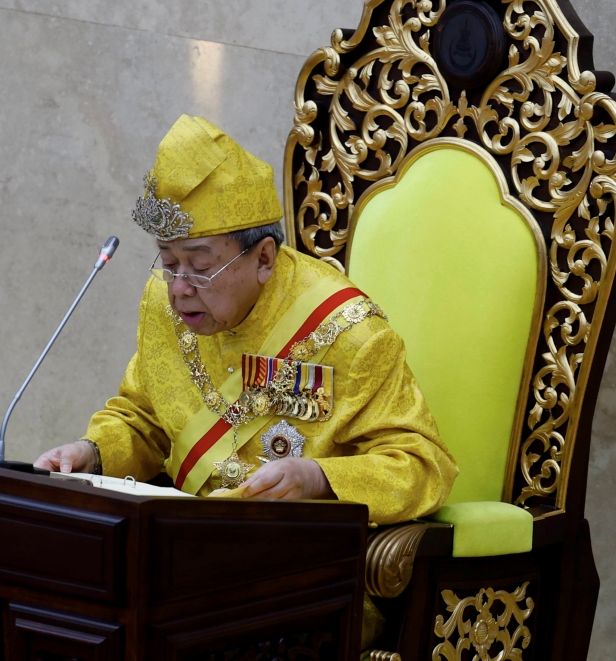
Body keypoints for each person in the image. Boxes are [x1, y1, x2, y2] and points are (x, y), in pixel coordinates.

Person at [35, 114, 456, 517]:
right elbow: (144, 420)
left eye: (200, 268)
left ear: (264, 259)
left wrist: (317, 479)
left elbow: (422, 467)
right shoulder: (163, 300)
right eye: (168, 262)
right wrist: (91, 454)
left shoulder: (352, 334)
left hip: (296, 560)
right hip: (182, 540)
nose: (179, 287)